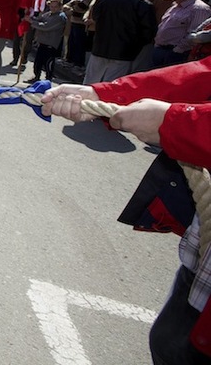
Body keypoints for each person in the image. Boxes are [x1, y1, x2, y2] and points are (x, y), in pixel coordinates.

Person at [41, 59, 211, 365]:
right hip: (203, 257)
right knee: (170, 343)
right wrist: (103, 94)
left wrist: (176, 122)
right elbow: (203, 75)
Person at [83, 0, 155, 84]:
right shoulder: (143, 4)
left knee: (91, 81)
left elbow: (96, 17)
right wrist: (135, 48)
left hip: (100, 46)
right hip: (124, 51)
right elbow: (148, 32)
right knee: (111, 85)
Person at [152, 0, 211, 69]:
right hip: (160, 50)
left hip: (177, 53)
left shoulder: (199, 9)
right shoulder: (174, 6)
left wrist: (177, 50)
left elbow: (194, 34)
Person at [27, 0, 67, 82]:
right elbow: (39, 19)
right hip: (42, 42)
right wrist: (30, 17)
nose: (53, 8)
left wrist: (32, 22)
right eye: (51, 6)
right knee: (38, 62)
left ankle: (48, 78)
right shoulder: (48, 14)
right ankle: (36, 76)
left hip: (51, 44)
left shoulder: (60, 17)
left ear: (60, 7)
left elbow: (46, 27)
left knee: (48, 63)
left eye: (55, 7)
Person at [63, 0, 97, 68]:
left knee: (79, 44)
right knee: (71, 42)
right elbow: (70, 3)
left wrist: (74, 6)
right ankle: (69, 60)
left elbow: (83, 6)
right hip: (74, 21)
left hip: (82, 24)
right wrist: (74, 5)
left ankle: (78, 63)